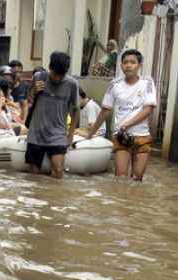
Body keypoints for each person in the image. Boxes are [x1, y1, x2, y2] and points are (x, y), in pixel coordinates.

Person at [86, 49, 157, 181]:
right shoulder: (115, 85)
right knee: (120, 180)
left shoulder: (147, 83)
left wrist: (126, 124)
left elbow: (148, 109)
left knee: (137, 180)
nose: (128, 65)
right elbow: (105, 111)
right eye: (125, 62)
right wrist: (91, 133)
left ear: (139, 65)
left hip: (141, 138)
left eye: (133, 62)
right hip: (121, 137)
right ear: (121, 66)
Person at [26, 51, 80, 179]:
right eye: (55, 74)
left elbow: (76, 109)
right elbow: (28, 98)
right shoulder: (39, 76)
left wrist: (71, 134)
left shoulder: (72, 83)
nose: (57, 78)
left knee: (58, 172)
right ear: (50, 68)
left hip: (58, 134)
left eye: (61, 75)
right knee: (33, 174)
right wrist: (34, 91)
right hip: (36, 133)